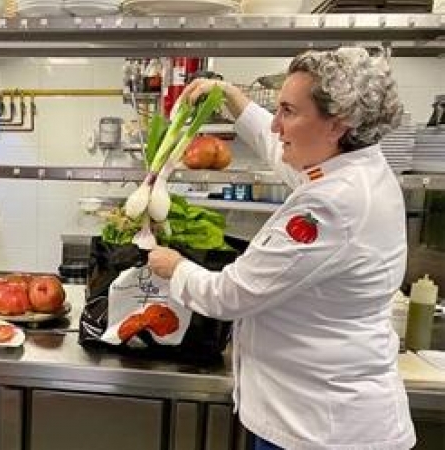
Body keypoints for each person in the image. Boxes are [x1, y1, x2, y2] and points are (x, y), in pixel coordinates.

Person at [148, 47, 415, 449]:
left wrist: (175, 267)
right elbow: (286, 155)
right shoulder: (354, 166)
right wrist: (235, 101)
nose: (276, 126)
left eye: (288, 111)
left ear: (337, 125)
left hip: (321, 430)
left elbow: (230, 295)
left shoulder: (334, 203)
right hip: (313, 416)